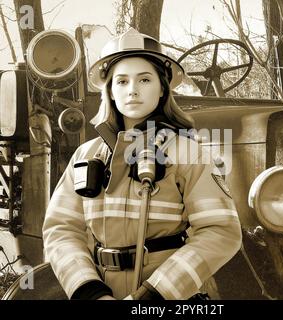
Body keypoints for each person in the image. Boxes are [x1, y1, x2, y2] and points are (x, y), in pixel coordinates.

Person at [42, 28, 242, 300]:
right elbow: (60, 228)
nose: (133, 90)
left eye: (145, 80)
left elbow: (220, 232)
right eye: (122, 81)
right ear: (110, 91)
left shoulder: (190, 154)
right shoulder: (86, 155)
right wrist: (89, 291)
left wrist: (154, 295)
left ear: (162, 89)